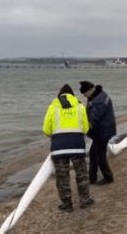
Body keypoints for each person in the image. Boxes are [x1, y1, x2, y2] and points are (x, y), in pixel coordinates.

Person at [43, 84, 94, 213]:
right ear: (72, 95)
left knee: (62, 178)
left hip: (59, 148)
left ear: (59, 95)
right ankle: (85, 200)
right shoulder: (80, 107)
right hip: (77, 146)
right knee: (81, 174)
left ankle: (67, 204)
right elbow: (86, 128)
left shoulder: (52, 107)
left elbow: (46, 130)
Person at [79, 81, 116, 186]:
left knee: (100, 156)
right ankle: (92, 178)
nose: (85, 96)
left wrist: (82, 128)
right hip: (103, 130)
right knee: (93, 154)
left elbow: (93, 119)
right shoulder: (99, 95)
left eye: (85, 94)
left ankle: (108, 177)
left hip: (103, 132)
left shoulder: (98, 101)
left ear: (90, 90)